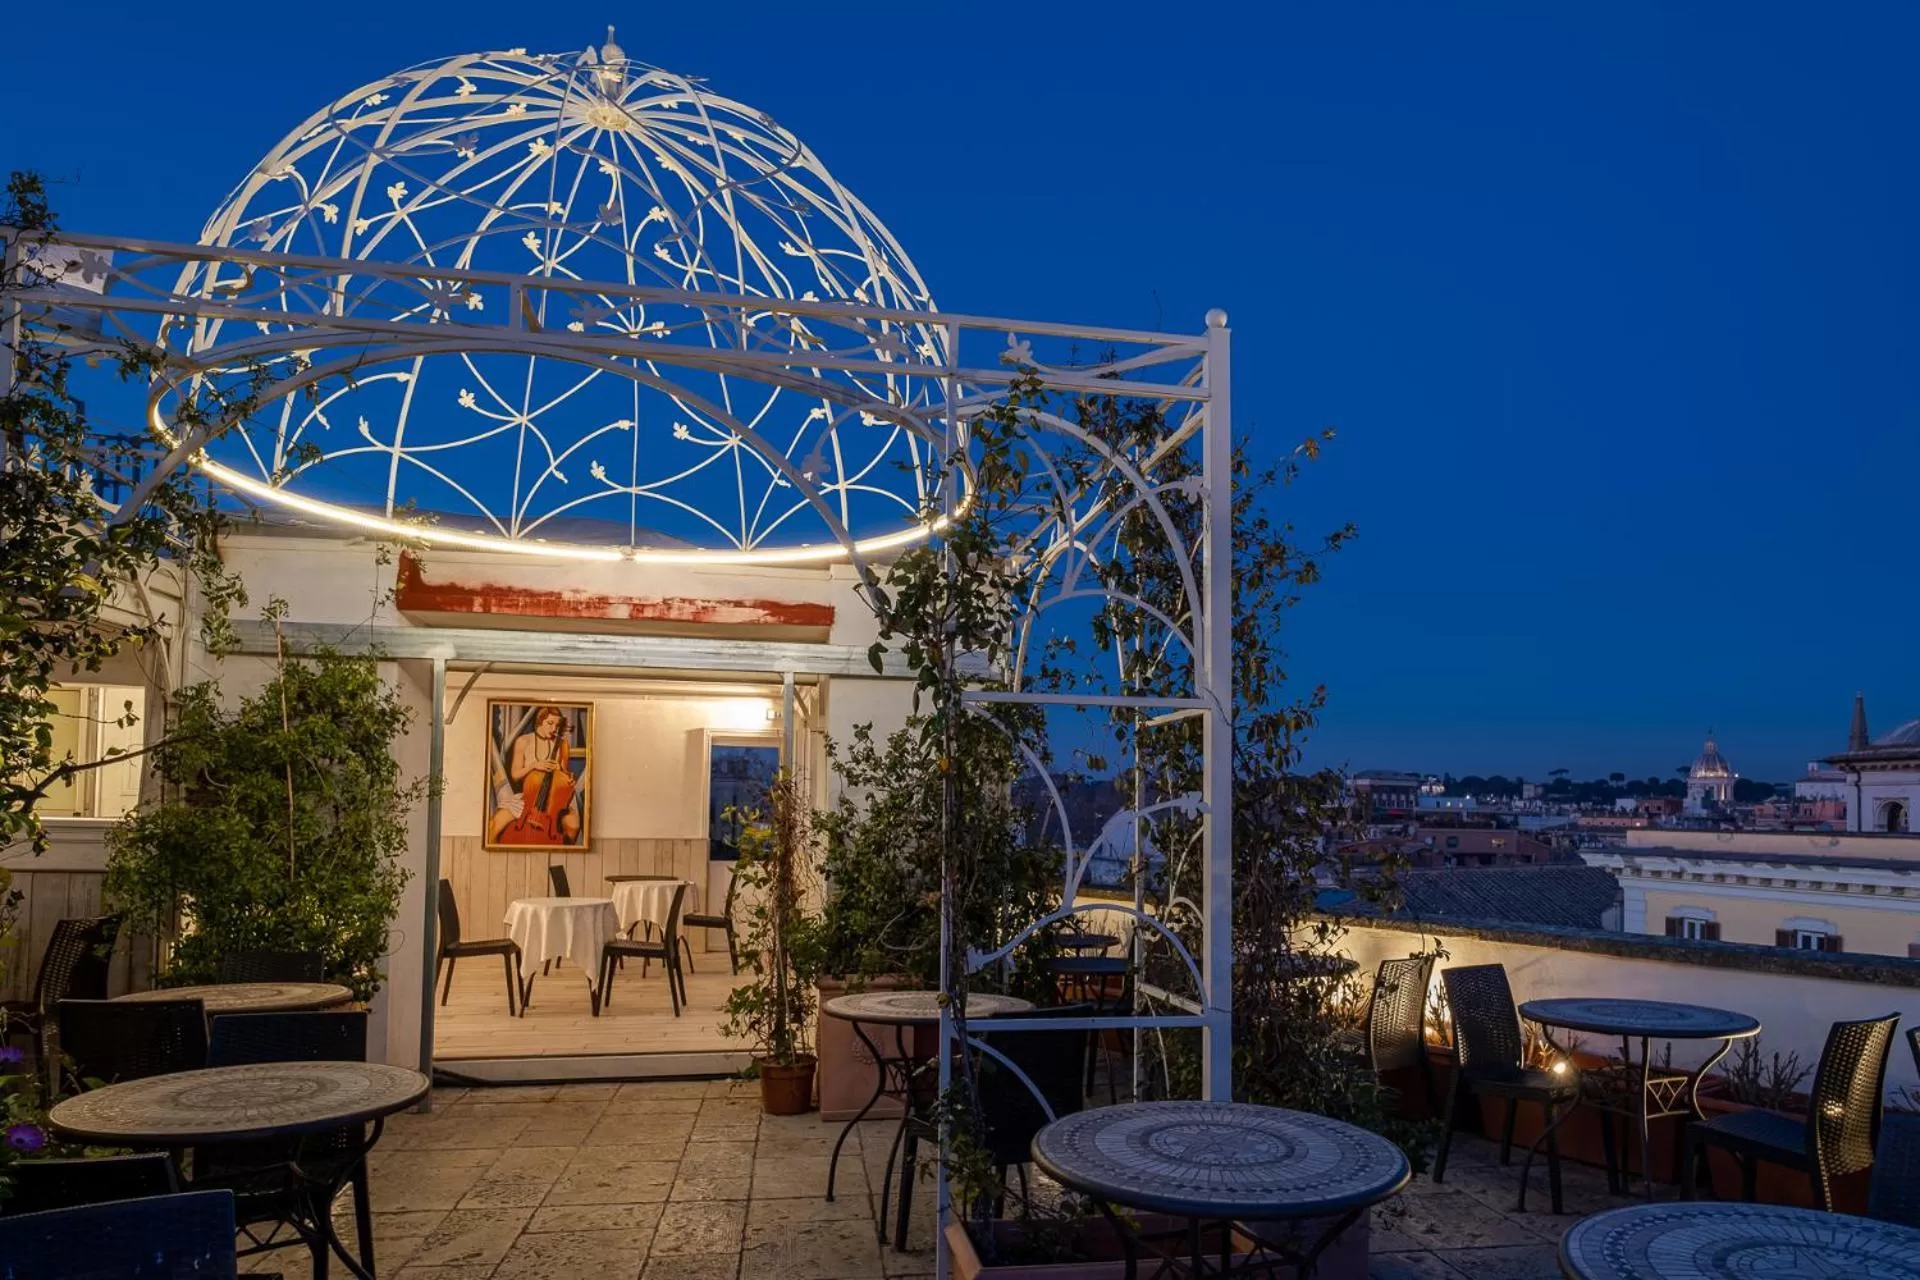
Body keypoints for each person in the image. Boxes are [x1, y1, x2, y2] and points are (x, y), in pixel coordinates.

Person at [489, 705, 583, 846]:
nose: (553, 729)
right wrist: (534, 765)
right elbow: (515, 775)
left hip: (554, 802)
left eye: (557, 725)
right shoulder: (523, 741)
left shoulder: (562, 744)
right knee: (495, 824)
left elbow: (564, 775)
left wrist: (567, 777)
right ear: (540, 721)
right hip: (528, 799)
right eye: (550, 723)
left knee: (574, 825)